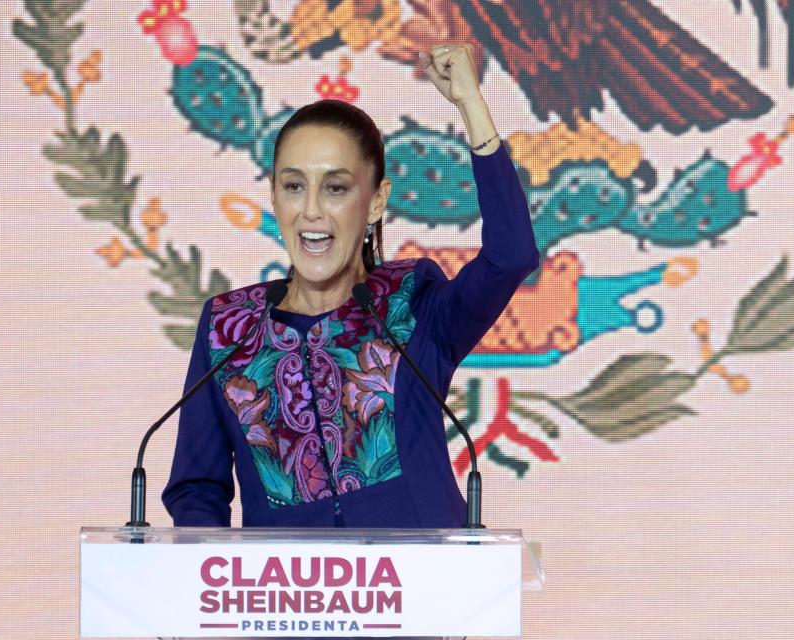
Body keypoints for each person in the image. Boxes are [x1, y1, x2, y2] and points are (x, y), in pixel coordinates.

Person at [162, 43, 540, 529]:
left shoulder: (412, 305)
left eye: (336, 187)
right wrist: (211, 582)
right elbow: (197, 488)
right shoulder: (228, 327)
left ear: (376, 200)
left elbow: (511, 256)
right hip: (281, 598)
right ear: (274, 195)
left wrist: (471, 104)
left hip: (426, 592)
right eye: (294, 185)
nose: (312, 210)